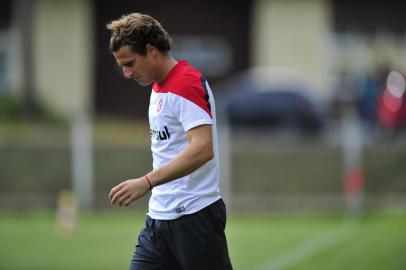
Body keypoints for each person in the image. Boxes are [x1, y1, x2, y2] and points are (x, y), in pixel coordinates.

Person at [106, 13, 233, 270]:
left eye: (130, 63)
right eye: (122, 65)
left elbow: (203, 148)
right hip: (159, 220)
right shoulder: (158, 86)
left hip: (194, 218)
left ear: (151, 51)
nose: (127, 73)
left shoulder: (185, 83)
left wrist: (146, 182)